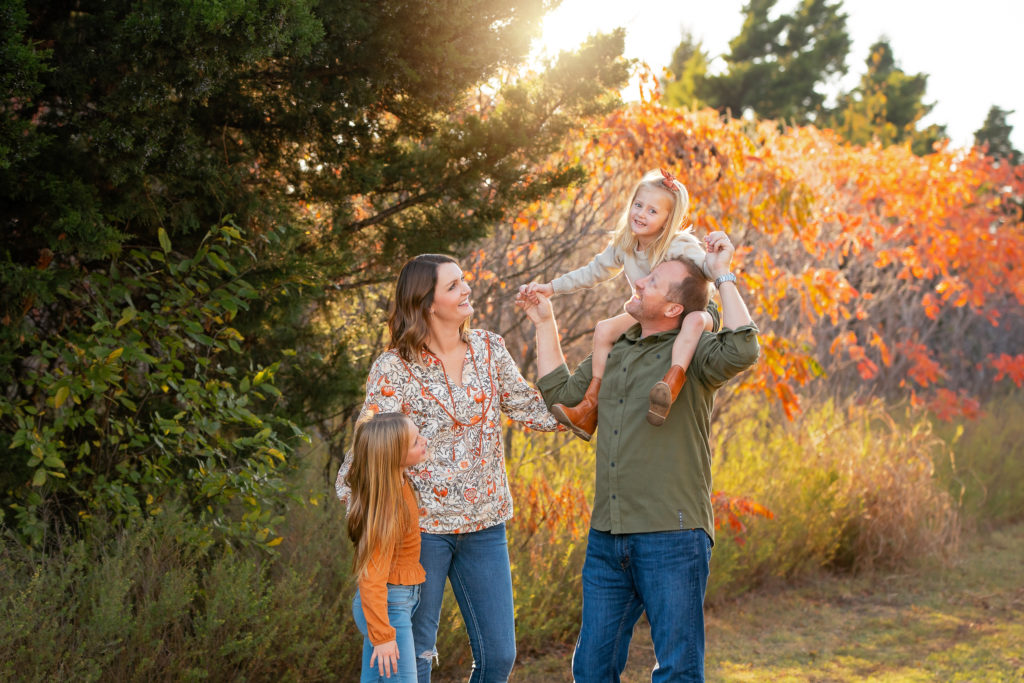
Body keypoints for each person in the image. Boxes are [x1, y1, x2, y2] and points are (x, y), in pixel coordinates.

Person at [517, 231, 760, 682]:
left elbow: (744, 347)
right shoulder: (617, 348)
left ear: (673, 309)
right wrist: (544, 323)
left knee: (677, 671)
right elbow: (562, 397)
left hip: (673, 535)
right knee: (591, 669)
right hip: (608, 536)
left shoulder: (696, 352)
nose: (639, 281)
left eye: (653, 281)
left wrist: (722, 274)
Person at [337, 254, 563, 683]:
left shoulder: (489, 348)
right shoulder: (394, 367)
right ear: (426, 303)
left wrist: (549, 329)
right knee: (418, 657)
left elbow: (538, 411)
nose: (467, 289)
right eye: (454, 285)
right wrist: (373, 518)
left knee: (499, 656)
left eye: (464, 281)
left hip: (486, 525)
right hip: (422, 533)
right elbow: (367, 449)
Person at [519, 168, 714, 440]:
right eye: (638, 205)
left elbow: (710, 271)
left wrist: (718, 260)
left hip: (691, 308)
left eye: (652, 211)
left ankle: (671, 382)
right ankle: (590, 406)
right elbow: (593, 272)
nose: (641, 214)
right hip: (649, 313)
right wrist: (551, 287)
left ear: (668, 220)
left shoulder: (678, 244)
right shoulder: (626, 244)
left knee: (694, 321)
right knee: (603, 330)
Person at [347, 412, 428, 682]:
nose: (424, 441)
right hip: (388, 608)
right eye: (416, 441)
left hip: (394, 603)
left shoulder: (400, 482)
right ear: (394, 456)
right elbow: (371, 576)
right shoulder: (388, 507)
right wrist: (383, 636)